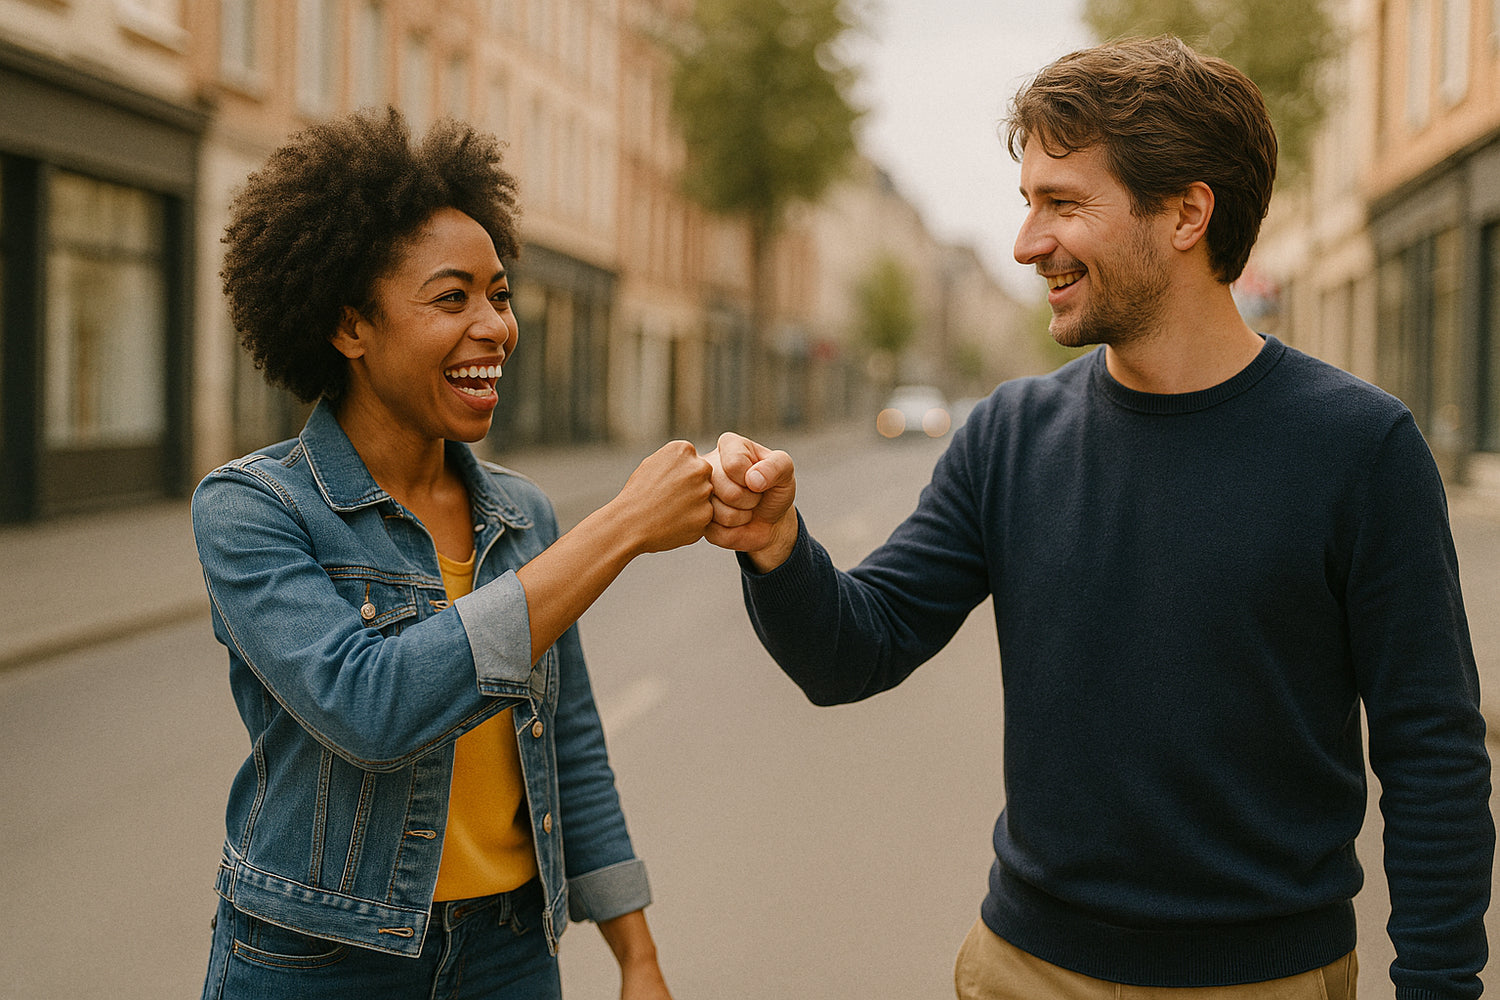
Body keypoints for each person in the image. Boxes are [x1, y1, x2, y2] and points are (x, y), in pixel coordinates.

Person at [703, 36, 1493, 1000]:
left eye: (1064, 204)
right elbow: (852, 652)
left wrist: (1439, 985)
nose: (1028, 243)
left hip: (1264, 980)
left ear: (1187, 213)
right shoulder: (1008, 435)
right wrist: (778, 548)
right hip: (1024, 970)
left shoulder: (1361, 448)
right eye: (1028, 202)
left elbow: (1433, 756)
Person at [194, 108, 708, 1000]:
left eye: (499, 296)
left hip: (508, 953)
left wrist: (637, 953)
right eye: (452, 298)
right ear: (350, 326)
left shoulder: (522, 514)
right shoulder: (254, 508)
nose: (495, 326)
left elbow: (570, 743)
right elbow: (371, 707)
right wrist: (622, 525)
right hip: (320, 960)